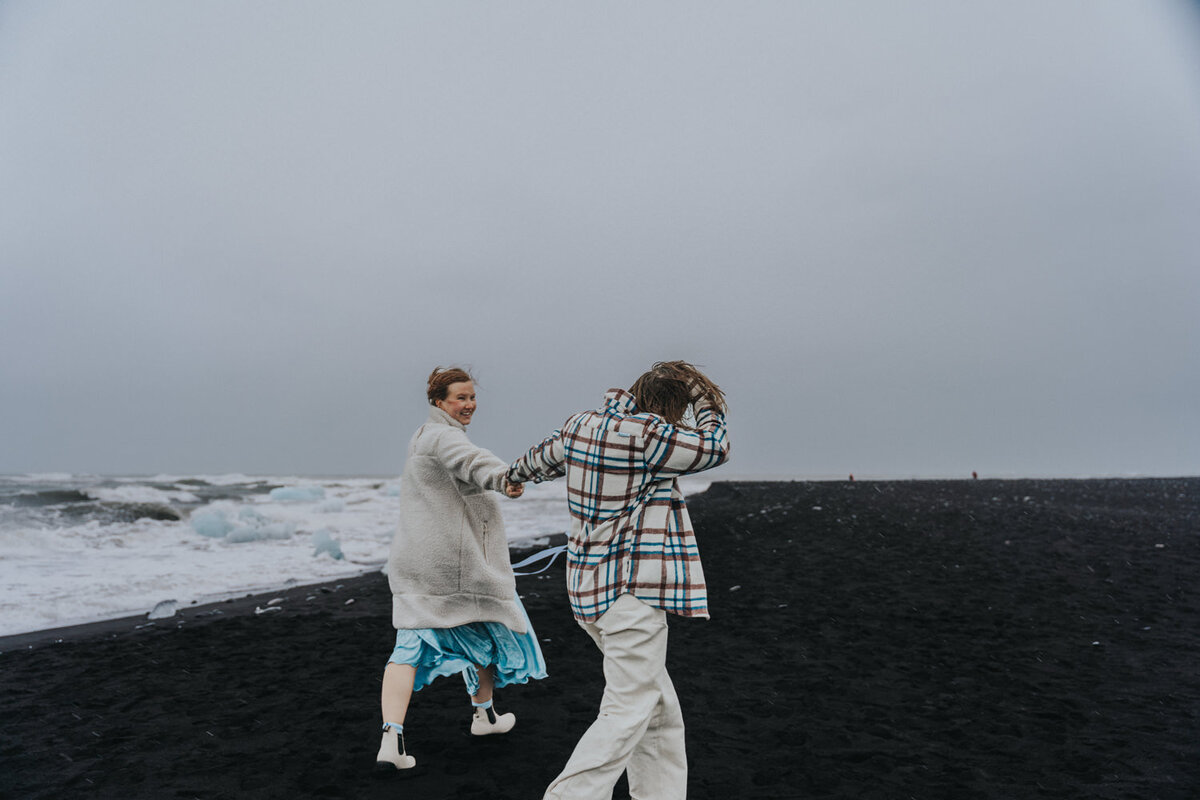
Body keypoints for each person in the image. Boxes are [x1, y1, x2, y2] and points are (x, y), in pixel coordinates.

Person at [506, 360, 730, 800]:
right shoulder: (654, 437)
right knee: (629, 708)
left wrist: (514, 478)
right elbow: (716, 446)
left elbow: (540, 458)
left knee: (659, 709)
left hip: (588, 593)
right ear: (670, 408)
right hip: (632, 595)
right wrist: (704, 397)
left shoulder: (581, 425)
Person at [374, 366, 547, 773]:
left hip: (416, 559)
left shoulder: (422, 435)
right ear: (439, 402)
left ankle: (401, 738)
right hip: (449, 562)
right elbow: (473, 462)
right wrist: (506, 478)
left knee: (420, 643)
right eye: (460, 398)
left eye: (471, 397)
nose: (468, 405)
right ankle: (479, 715)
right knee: (485, 620)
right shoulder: (444, 437)